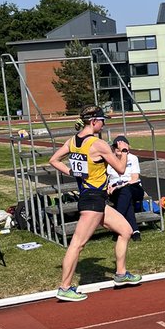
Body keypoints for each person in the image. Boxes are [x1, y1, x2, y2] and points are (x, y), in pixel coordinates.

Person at [49, 106, 141, 301]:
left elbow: (54, 160)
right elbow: (122, 169)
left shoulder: (73, 141)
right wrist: (123, 151)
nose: (104, 123)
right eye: (102, 120)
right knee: (77, 244)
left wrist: (73, 173)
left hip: (96, 199)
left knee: (125, 231)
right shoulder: (98, 144)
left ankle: (121, 274)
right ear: (93, 121)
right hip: (92, 201)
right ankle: (64, 287)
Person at [107, 134, 143, 240]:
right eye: (116, 146)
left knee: (126, 191)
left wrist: (119, 186)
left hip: (134, 188)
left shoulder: (132, 158)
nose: (118, 148)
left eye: (121, 147)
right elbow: (106, 177)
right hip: (117, 191)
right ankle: (135, 230)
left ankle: (116, 225)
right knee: (127, 198)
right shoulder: (110, 160)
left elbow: (134, 178)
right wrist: (108, 186)